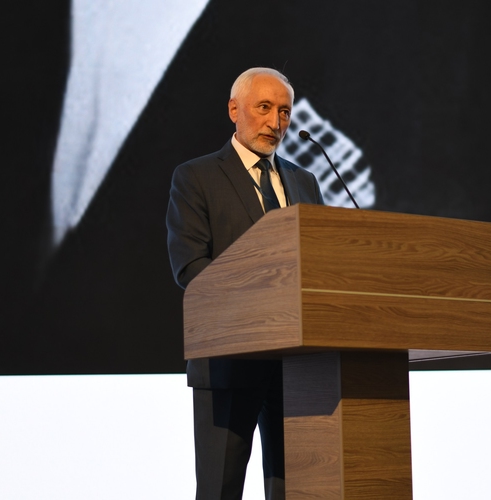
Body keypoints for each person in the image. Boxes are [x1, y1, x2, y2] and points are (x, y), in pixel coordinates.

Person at [166, 67, 324, 500]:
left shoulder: (304, 181)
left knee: (297, 490)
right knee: (220, 490)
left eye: (285, 112)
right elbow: (191, 267)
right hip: (229, 361)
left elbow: (319, 263)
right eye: (265, 108)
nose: (276, 122)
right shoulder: (196, 177)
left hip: (299, 367)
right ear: (234, 110)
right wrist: (262, 302)